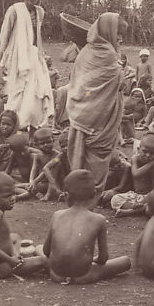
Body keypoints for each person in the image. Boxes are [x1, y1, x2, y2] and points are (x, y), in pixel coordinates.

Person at [65, 12, 127, 196]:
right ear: (108, 32)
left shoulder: (88, 50)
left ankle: (77, 192)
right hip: (98, 117)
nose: (120, 39)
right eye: (118, 34)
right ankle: (90, 194)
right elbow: (117, 82)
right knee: (97, 156)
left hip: (83, 112)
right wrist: (121, 74)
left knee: (81, 156)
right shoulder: (107, 53)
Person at [42, 170, 132, 284]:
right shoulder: (99, 219)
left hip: (56, 275)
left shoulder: (57, 215)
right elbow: (103, 259)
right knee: (125, 261)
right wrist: (92, 260)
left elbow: (46, 251)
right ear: (93, 194)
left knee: (39, 249)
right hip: (84, 275)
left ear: (66, 195)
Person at [0, 0, 54, 129]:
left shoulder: (40, 12)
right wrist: (3, 60)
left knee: (36, 92)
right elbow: (4, 36)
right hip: (17, 57)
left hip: (34, 56)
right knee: (18, 92)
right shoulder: (14, 10)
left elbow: (37, 36)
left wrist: (41, 55)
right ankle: (14, 125)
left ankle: (32, 124)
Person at [0, 172, 49, 279]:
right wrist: (10, 260)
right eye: (7, 196)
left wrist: (13, 255)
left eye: (13, 194)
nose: (13, 198)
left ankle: (16, 255)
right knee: (43, 260)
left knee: (15, 237)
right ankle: (58, 274)